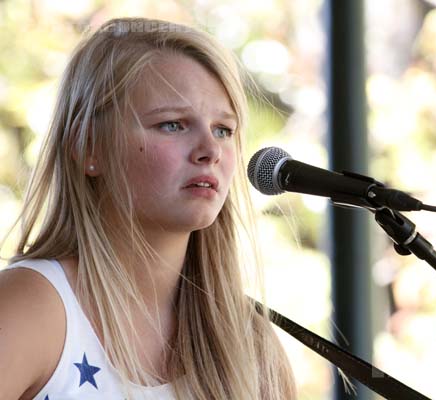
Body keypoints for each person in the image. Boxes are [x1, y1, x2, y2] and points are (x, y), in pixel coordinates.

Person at [0, 17, 296, 400]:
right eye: (172, 125)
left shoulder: (250, 342)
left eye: (224, 129)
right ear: (89, 147)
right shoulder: (31, 306)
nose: (210, 150)